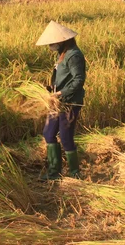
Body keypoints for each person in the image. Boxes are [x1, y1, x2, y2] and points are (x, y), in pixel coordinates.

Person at [35, 21, 86, 180]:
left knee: (65, 137)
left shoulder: (74, 55)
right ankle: (54, 172)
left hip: (69, 102)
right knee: (49, 133)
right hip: (57, 101)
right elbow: (63, 77)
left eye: (53, 42)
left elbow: (78, 80)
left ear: (62, 40)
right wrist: (50, 89)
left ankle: (74, 173)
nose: (51, 45)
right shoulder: (62, 54)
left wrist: (61, 93)